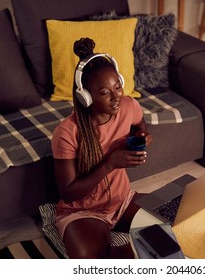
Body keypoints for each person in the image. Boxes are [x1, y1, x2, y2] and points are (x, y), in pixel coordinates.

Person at [51, 37, 153, 258]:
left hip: (123, 201)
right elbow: (68, 193)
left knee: (174, 218)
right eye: (105, 92)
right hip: (83, 211)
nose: (116, 97)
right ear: (85, 97)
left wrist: (141, 135)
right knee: (94, 260)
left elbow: (140, 124)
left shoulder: (128, 105)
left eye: (118, 86)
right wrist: (110, 163)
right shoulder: (67, 133)